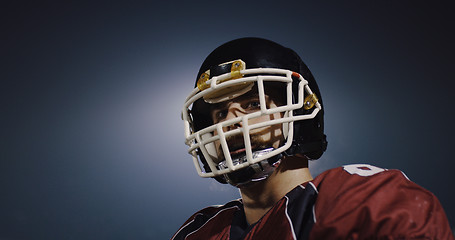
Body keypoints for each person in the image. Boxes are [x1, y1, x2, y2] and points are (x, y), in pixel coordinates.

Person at [173, 37, 454, 239]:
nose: (230, 121)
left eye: (252, 105)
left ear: (300, 111)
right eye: (220, 113)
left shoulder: (356, 202)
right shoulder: (200, 230)